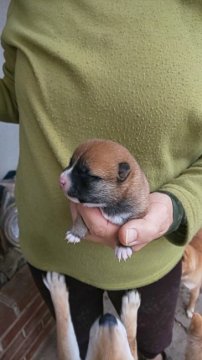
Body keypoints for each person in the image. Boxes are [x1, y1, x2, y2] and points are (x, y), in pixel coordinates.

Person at [0, 1, 202, 359]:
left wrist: (178, 204)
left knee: (151, 346)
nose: (63, 180)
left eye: (79, 173)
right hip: (51, 246)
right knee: (78, 341)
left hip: (151, 260)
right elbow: (16, 95)